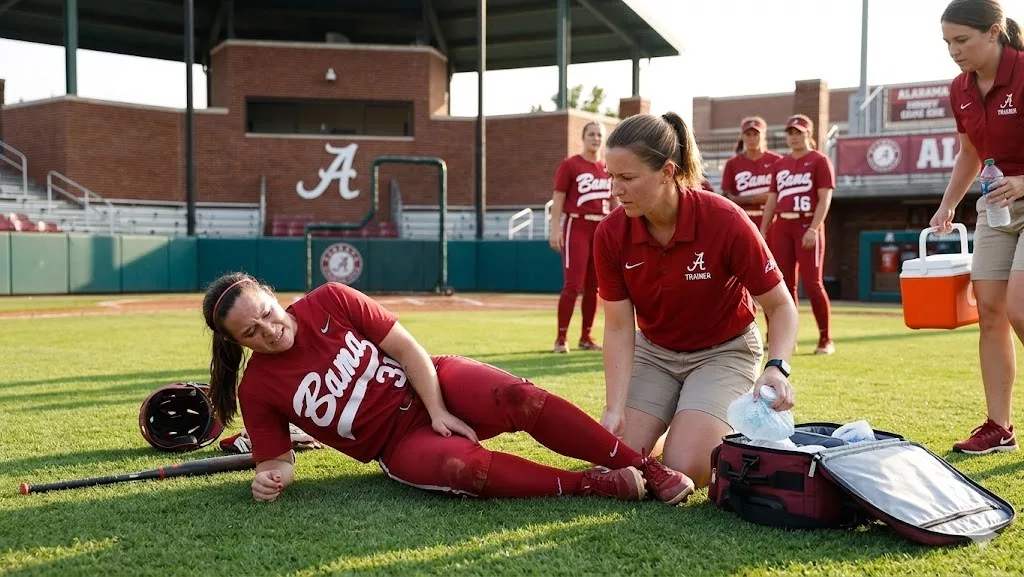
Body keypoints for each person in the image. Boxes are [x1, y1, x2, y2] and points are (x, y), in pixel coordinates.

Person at [202, 273, 695, 504]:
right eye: (251, 333)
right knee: (466, 468)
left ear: (271, 294)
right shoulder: (257, 389)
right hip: (396, 444)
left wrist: (437, 410)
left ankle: (644, 465)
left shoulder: (330, 298)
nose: (269, 331)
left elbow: (407, 348)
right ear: (236, 342)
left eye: (266, 314)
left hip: (432, 382)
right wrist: (270, 480)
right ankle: (593, 483)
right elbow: (277, 461)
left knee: (520, 398)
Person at [594, 112, 800, 488]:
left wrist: (777, 368)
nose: (615, 190)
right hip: (655, 353)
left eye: (627, 178)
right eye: (611, 176)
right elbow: (620, 327)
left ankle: (698, 426)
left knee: (685, 466)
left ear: (667, 172)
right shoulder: (610, 232)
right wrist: (613, 408)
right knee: (613, 460)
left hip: (724, 351)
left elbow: (781, 305)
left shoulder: (724, 219)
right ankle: (673, 427)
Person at [933, 0, 1024, 454]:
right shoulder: (960, 88)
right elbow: (970, 152)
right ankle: (999, 427)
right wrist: (947, 205)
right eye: (947, 42)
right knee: (989, 311)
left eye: (962, 40)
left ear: (993, 32)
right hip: (994, 207)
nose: (954, 50)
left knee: (1020, 307)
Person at [760, 114, 837, 356]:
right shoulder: (780, 164)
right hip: (782, 225)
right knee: (782, 285)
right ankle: (786, 339)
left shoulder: (819, 160)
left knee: (813, 284)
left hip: (807, 223)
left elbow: (825, 198)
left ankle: (825, 339)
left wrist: (814, 228)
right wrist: (762, 230)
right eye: (790, 133)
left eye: (798, 132)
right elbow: (772, 201)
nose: (793, 137)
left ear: (808, 134)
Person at [549, 121, 614, 354]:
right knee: (573, 284)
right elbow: (558, 199)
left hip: (601, 227)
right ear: (583, 137)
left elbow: (614, 201)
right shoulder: (571, 165)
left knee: (594, 287)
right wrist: (554, 230)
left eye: (599, 135)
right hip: (576, 224)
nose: (595, 138)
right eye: (591, 134)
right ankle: (561, 338)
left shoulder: (608, 167)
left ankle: (586, 336)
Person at [721, 117, 784, 232]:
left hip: (772, 219)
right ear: (742, 136)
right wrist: (754, 199)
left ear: (763, 135)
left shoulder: (777, 161)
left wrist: (745, 198)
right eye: (748, 134)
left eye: (756, 134)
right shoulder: (732, 163)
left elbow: (782, 194)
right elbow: (727, 197)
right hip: (743, 219)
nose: (752, 138)